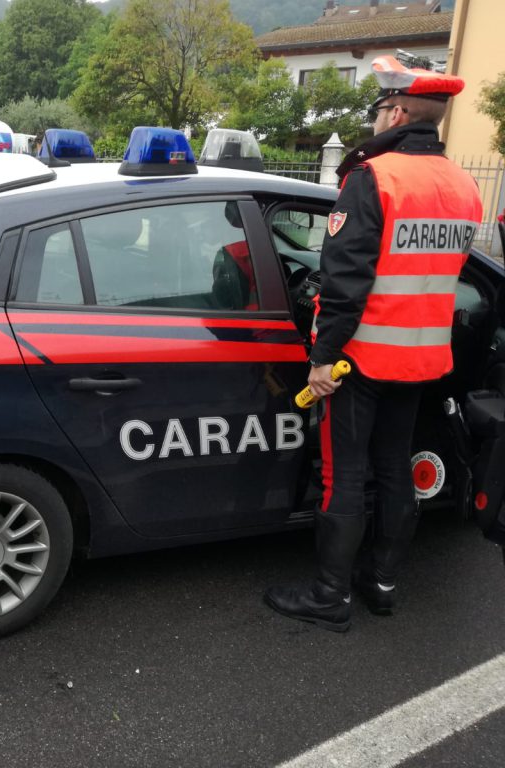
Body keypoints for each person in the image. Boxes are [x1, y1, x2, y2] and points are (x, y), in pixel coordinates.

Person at [264, 55, 483, 632]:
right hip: (422, 359)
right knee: (393, 470)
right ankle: (382, 584)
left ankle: (330, 596)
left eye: (382, 108)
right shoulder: (462, 185)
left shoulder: (375, 177)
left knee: (345, 476)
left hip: (359, 359)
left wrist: (321, 360)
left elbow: (344, 284)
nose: (379, 118)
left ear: (399, 110)